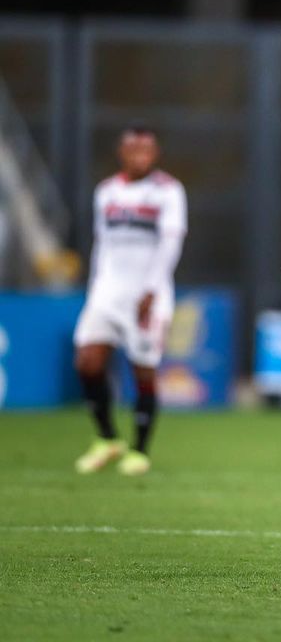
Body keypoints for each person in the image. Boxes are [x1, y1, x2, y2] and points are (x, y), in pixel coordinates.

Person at [72, 125, 187, 476]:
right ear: (122, 153)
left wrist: (151, 291)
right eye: (133, 149)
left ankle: (139, 449)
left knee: (143, 368)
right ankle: (107, 438)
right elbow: (101, 245)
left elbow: (170, 243)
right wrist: (95, 290)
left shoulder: (167, 192)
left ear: (155, 154)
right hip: (107, 291)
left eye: (146, 149)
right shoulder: (106, 192)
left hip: (146, 294)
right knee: (87, 362)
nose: (140, 155)